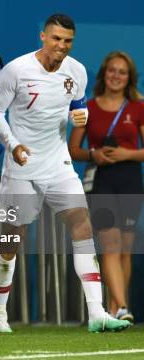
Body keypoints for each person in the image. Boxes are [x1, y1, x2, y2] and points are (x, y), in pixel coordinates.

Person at [0, 14, 131, 333]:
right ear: (42, 36)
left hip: (58, 164)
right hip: (22, 165)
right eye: (56, 39)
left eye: (68, 41)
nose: (62, 46)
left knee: (81, 223)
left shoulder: (77, 71)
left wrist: (78, 117)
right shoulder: (15, 70)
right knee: (11, 238)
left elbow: (76, 107)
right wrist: (13, 144)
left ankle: (96, 312)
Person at [68, 51, 143, 323]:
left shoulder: (138, 107)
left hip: (131, 180)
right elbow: (73, 148)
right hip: (100, 182)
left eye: (122, 72)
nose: (116, 76)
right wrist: (93, 155)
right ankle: (122, 306)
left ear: (129, 78)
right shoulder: (86, 107)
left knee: (125, 248)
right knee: (109, 244)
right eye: (112, 70)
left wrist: (126, 154)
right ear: (104, 73)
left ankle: (115, 310)